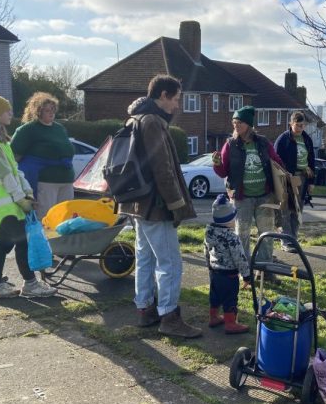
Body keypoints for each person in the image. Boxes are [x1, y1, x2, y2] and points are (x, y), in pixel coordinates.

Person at [118, 75, 200, 339]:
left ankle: (145, 309)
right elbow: (162, 169)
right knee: (170, 262)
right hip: (156, 204)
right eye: (175, 99)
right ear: (163, 95)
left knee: (145, 257)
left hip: (137, 203)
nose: (176, 106)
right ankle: (169, 315)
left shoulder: (135, 118)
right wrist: (176, 205)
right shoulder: (153, 122)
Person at [0, 93, 58, 300]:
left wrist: (27, 192)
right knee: (19, 242)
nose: (11, 113)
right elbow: (6, 176)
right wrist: (22, 200)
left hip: (7, 203)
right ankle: (28, 284)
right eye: (6, 110)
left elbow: (16, 172)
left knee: (6, 243)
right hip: (1, 205)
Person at [212, 105, 284, 266]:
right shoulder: (230, 145)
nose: (236, 126)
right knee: (241, 234)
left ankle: (264, 269)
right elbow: (223, 172)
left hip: (265, 196)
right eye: (234, 122)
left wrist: (284, 177)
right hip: (241, 198)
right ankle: (244, 270)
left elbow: (277, 162)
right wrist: (216, 164)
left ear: (249, 125)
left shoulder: (263, 143)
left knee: (266, 234)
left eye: (239, 123)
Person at [11, 92, 75, 220]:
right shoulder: (28, 129)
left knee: (65, 217)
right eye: (47, 110)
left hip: (66, 179)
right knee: (46, 217)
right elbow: (14, 155)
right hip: (45, 181)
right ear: (38, 111)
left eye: (53, 110)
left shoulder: (59, 128)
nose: (51, 113)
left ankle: (61, 241)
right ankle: (44, 240)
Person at [204, 194, 251, 334]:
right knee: (230, 299)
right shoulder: (231, 237)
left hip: (214, 272)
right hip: (229, 275)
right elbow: (240, 258)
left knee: (215, 296)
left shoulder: (209, 232)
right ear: (230, 220)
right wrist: (247, 275)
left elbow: (206, 250)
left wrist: (208, 265)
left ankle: (213, 317)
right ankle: (230, 323)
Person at [274, 111, 315, 252]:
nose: (300, 128)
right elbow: (275, 161)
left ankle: (293, 239)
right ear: (291, 124)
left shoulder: (307, 139)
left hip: (302, 178)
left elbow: (311, 160)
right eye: (297, 125)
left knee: (298, 210)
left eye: (302, 126)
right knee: (286, 210)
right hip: (286, 178)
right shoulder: (283, 139)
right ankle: (286, 240)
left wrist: (311, 182)